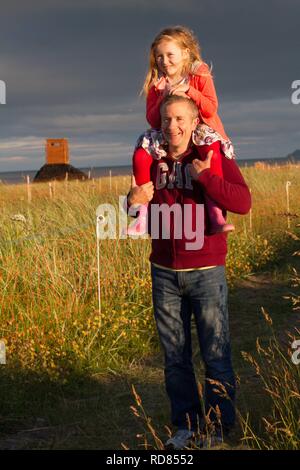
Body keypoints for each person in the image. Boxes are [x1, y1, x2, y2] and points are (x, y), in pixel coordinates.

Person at [127, 94, 251, 449]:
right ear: (160, 124)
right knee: (175, 357)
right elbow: (136, 204)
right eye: (167, 120)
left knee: (216, 354)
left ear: (194, 122)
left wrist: (208, 179)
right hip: (164, 272)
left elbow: (242, 202)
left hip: (207, 271)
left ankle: (219, 429)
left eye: (180, 119)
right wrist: (130, 201)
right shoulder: (152, 156)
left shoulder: (210, 155)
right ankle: (185, 426)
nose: (173, 127)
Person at [128, 25, 235, 236]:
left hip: (200, 128)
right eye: (159, 56)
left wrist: (190, 91)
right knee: (141, 155)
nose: (164, 61)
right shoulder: (157, 84)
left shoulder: (198, 72)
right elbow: (152, 119)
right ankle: (142, 216)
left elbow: (211, 108)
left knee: (211, 152)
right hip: (167, 132)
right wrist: (161, 97)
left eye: (170, 55)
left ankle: (215, 214)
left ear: (185, 52)